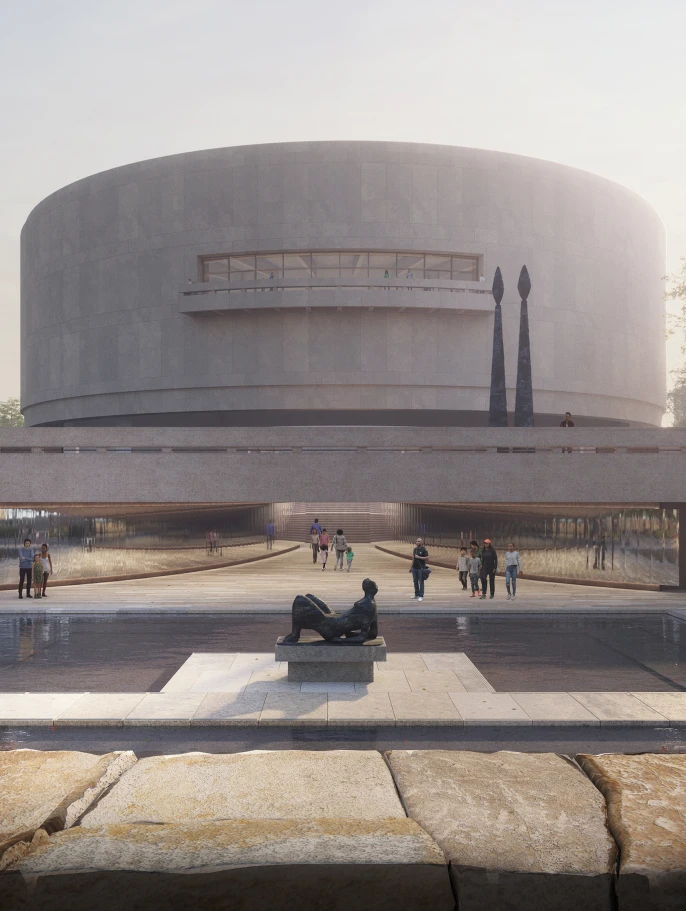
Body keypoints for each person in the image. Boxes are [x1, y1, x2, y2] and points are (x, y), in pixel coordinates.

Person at [410, 537, 429, 602]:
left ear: (421, 542)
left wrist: (419, 557)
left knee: (421, 582)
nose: (417, 542)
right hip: (414, 568)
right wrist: (411, 567)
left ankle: (421, 596)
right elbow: (413, 558)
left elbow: (427, 558)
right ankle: (416, 594)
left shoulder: (424, 550)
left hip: (420, 568)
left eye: (418, 541)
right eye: (416, 541)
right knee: (415, 581)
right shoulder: (415, 549)